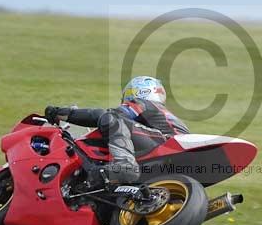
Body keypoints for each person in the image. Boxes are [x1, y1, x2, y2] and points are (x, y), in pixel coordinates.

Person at [45, 76, 189, 184]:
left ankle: (124, 163)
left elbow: (104, 115)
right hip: (176, 156)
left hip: (167, 144)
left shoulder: (143, 103)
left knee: (111, 117)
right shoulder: (161, 115)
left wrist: (62, 113)